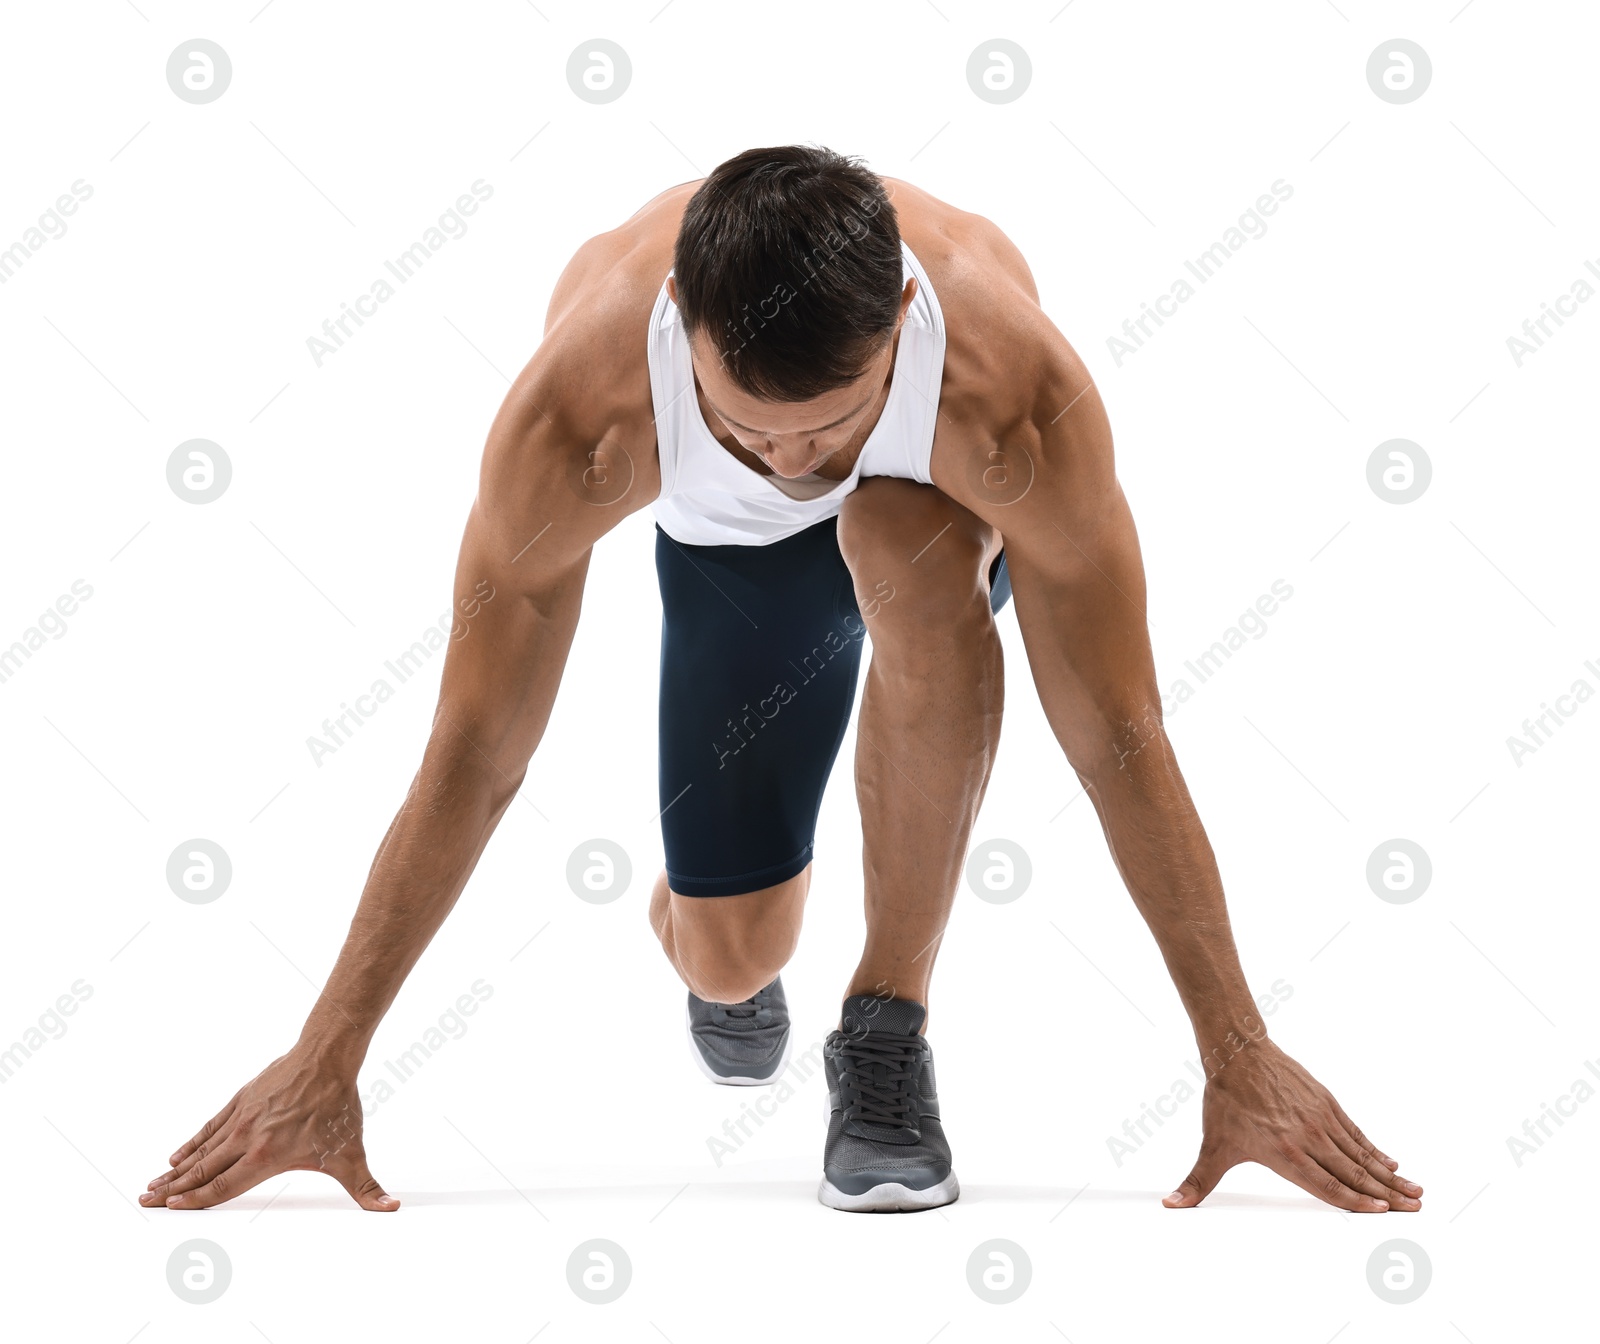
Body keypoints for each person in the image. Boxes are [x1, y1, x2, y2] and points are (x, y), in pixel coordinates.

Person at [140, 145, 1422, 1216]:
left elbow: (1118, 736)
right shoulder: (582, 418)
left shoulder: (1010, 396)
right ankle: (717, 953)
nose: (796, 457)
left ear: (904, 326)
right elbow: (477, 748)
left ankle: (885, 1030)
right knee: (730, 956)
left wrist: (1236, 1052)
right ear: (682, 336)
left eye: (832, 421)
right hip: (726, 559)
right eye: (751, 426)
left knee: (901, 553)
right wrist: (328, 1058)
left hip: (927, 514)